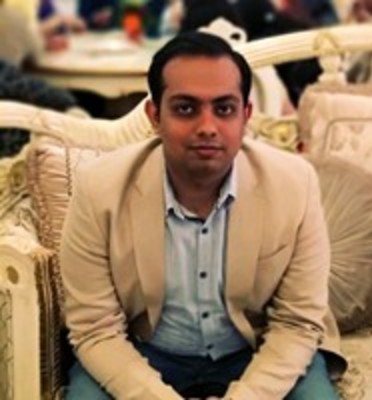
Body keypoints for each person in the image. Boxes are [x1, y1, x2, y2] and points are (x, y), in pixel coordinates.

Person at [60, 32, 346, 400]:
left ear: (245, 116)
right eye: (186, 109)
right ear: (154, 116)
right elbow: (96, 329)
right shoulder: (98, 189)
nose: (207, 127)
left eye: (224, 109)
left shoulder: (295, 183)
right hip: (140, 352)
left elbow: (297, 323)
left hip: (257, 350)